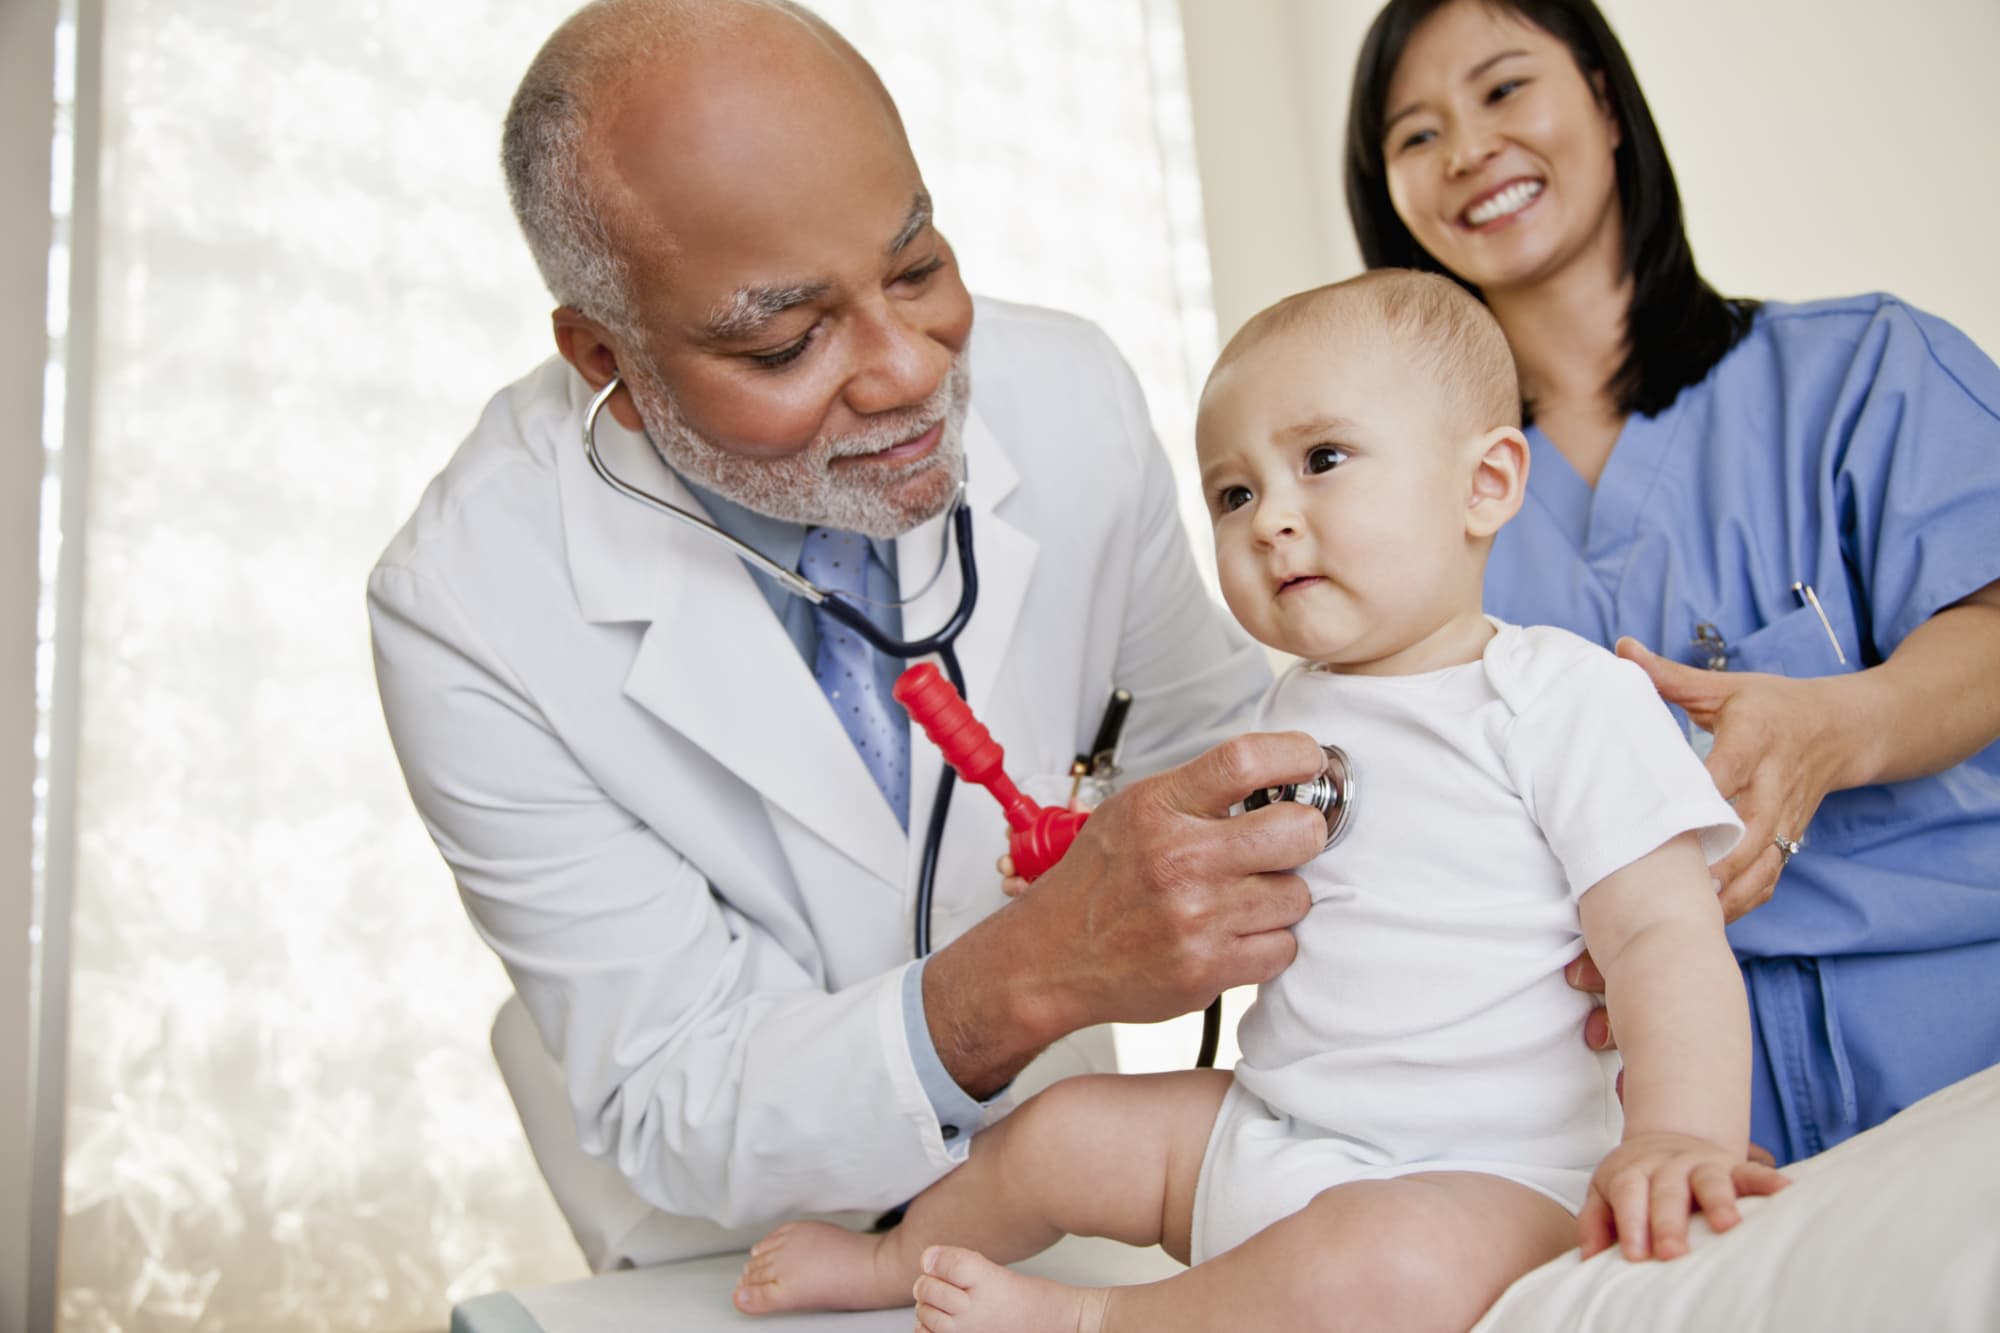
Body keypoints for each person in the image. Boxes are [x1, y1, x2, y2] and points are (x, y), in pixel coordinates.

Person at [367, 0, 1332, 1260]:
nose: (910, 369)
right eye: (786, 340)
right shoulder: (468, 605)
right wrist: (1038, 967)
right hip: (724, 1239)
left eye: (917, 264)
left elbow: (1222, 753)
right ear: (602, 354)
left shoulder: (1069, 400)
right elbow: (669, 1083)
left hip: (1054, 1192)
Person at [731, 272, 1788, 1333]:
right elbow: (1199, 877)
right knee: (1064, 1129)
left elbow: (1662, 934)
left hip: (1488, 1183)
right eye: (1232, 494)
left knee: (1382, 1267)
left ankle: (1098, 1320)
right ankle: (895, 1259)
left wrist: (1675, 1135)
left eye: (1320, 461)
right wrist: (1085, 871)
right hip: (1267, 1127)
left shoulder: (1558, 697)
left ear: (1485, 484)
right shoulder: (1281, 714)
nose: (1270, 519)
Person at [1343, 0, 2000, 1167]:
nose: (1467, 151)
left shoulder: (1860, 373)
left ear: (1602, 98)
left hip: (1958, 1043)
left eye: (1500, 91)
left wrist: (1832, 730)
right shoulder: (1393, 517)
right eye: (1414, 135)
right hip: (1627, 1122)